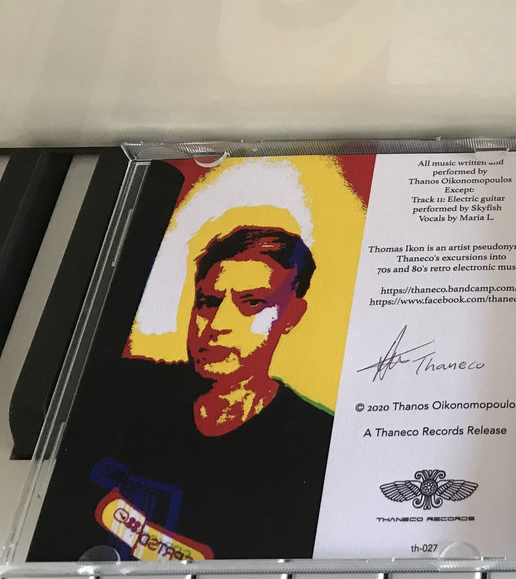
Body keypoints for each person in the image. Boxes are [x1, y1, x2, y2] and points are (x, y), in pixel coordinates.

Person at [29, 227, 334, 561]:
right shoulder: (121, 389)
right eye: (208, 302)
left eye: (251, 303)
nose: (217, 324)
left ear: (290, 315)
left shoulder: (316, 443)